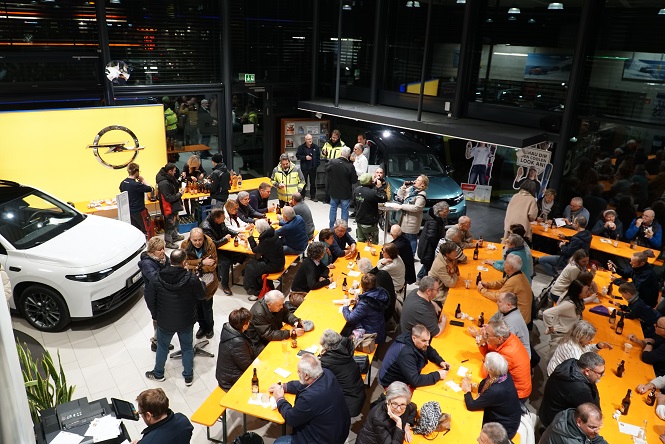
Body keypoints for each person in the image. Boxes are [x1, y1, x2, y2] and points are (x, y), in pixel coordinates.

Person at [145, 249, 206, 386]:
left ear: (170, 261)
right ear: (184, 262)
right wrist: (201, 282)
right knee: (187, 348)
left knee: (162, 347)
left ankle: (158, 373)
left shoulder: (157, 278)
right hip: (186, 320)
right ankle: (188, 376)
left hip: (165, 321)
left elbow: (150, 299)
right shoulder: (191, 279)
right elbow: (202, 296)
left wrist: (156, 315)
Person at [269, 354, 350, 444]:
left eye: (299, 372)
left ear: (306, 375)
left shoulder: (309, 398)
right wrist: (285, 386)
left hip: (324, 440)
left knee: (279, 442)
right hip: (339, 430)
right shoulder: (327, 373)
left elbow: (291, 419)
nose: (298, 373)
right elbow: (304, 384)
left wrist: (280, 399)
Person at [462, 352, 521, 439]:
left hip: (504, 428)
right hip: (507, 417)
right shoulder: (503, 375)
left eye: (484, 361)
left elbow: (471, 405)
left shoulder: (496, 390)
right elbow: (484, 383)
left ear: (490, 369)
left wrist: (467, 391)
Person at [539, 352, 605, 427]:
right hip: (555, 422)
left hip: (546, 410)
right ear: (587, 371)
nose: (603, 375)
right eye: (600, 373)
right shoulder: (579, 388)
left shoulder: (571, 364)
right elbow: (593, 410)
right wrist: (593, 382)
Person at [379, 324, 450, 389]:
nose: (427, 344)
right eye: (424, 341)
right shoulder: (406, 353)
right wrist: (437, 375)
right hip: (392, 383)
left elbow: (428, 349)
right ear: (414, 338)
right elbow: (415, 380)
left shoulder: (413, 338)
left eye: (428, 340)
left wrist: (440, 361)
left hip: (406, 375)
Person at [477, 320, 531, 401]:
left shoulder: (508, 353)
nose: (485, 336)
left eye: (487, 334)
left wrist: (486, 359)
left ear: (499, 338)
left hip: (517, 394)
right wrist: (483, 343)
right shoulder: (507, 338)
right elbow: (491, 351)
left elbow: (486, 373)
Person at [180, 228, 218, 339]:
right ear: (190, 239)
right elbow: (184, 264)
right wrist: (201, 262)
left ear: (203, 238)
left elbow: (212, 266)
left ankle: (209, 327)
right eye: (195, 240)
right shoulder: (184, 245)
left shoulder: (210, 245)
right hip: (192, 283)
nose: (197, 243)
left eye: (200, 240)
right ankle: (202, 327)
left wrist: (194, 267)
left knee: (207, 307)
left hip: (208, 283)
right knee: (197, 308)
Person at [318, 329, 366, 417]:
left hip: (349, 403)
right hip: (358, 393)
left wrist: (322, 356)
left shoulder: (327, 361)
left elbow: (317, 377)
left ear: (326, 347)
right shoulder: (346, 348)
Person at [200, 208, 244, 296]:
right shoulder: (206, 227)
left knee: (241, 253)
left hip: (222, 247)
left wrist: (237, 234)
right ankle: (225, 285)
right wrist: (225, 239)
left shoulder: (219, 221)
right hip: (211, 252)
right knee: (225, 262)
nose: (224, 220)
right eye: (223, 218)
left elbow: (226, 229)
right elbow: (213, 244)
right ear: (216, 219)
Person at [478, 255, 532, 325]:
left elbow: (498, 297)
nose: (503, 264)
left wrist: (482, 290)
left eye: (505, 262)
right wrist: (487, 284)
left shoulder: (514, 281)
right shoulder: (516, 273)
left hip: (519, 320)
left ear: (510, 268)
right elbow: (502, 282)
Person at [138, 237, 171, 352]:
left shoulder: (164, 258)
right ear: (152, 251)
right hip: (153, 296)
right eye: (159, 250)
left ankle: (162, 341)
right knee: (157, 319)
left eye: (163, 248)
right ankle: (156, 342)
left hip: (163, 293)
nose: (162, 251)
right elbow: (155, 279)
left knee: (164, 318)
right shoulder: (147, 264)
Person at [474, 292, 530, 358]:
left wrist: (482, 336)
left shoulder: (510, 322)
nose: (497, 303)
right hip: (508, 350)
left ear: (509, 305)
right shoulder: (505, 310)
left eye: (500, 301)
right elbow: (492, 320)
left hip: (518, 356)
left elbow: (501, 343)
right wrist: (490, 329)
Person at [546, 320, 612, 376]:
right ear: (581, 336)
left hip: (556, 369)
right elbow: (580, 371)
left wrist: (598, 346)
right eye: (590, 338)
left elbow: (584, 350)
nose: (592, 340)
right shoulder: (573, 351)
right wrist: (598, 373)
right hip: (557, 376)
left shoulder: (572, 339)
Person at [243, 219, 285, 300]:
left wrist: (250, 237)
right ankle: (261, 288)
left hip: (274, 265)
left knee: (250, 268)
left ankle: (256, 292)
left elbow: (255, 250)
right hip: (279, 261)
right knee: (254, 266)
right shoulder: (273, 234)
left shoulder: (266, 240)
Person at [342, 273, 389, 343]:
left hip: (370, 334)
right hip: (379, 329)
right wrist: (358, 301)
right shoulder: (380, 292)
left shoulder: (365, 303)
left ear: (362, 286)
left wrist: (345, 307)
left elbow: (350, 318)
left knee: (344, 332)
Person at [215, 308, 254, 391]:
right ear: (244, 326)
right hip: (230, 381)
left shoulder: (228, 330)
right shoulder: (237, 342)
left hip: (225, 375)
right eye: (248, 321)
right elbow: (247, 366)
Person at [543, 279, 587, 343]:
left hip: (567, 331)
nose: (588, 293)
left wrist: (591, 298)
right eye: (586, 292)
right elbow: (546, 313)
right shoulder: (569, 304)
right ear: (578, 292)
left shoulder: (576, 300)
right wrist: (550, 327)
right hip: (561, 333)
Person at [540, 403, 608, 444]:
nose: (597, 431)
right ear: (579, 422)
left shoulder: (572, 416)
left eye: (598, 427)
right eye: (592, 427)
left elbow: (596, 439)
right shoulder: (569, 440)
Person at [394, 175, 428, 254]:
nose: (415, 181)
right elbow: (400, 194)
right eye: (416, 179)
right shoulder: (411, 189)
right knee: (404, 238)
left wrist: (402, 206)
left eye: (418, 180)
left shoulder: (421, 195)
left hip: (412, 220)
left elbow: (416, 208)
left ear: (423, 184)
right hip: (404, 219)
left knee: (411, 238)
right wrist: (403, 187)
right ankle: (404, 253)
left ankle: (411, 255)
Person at [358, 257, 396, 326]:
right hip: (392, 305)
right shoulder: (384, 272)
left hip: (384, 314)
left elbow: (368, 303)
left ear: (363, 272)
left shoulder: (372, 284)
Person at [417, 201, 450, 280]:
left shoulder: (437, 218)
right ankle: (423, 279)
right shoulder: (433, 222)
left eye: (448, 211)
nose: (447, 213)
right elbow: (432, 237)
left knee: (427, 264)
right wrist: (439, 247)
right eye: (445, 212)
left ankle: (419, 277)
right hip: (428, 248)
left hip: (428, 246)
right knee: (428, 265)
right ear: (439, 211)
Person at [120, 162, 153, 237]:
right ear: (136, 171)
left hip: (130, 211)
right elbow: (150, 188)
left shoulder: (123, 183)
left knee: (136, 230)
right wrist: (143, 180)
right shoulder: (136, 184)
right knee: (147, 228)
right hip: (139, 210)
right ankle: (150, 243)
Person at [326, 146, 356, 228]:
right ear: (349, 155)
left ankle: (331, 227)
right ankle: (343, 228)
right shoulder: (350, 166)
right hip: (345, 192)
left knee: (333, 208)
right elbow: (354, 180)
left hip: (333, 191)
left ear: (341, 153)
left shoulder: (332, 162)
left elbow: (327, 170)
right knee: (344, 210)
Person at [156, 163, 184, 249]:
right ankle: (168, 242)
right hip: (168, 207)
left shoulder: (169, 178)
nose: (175, 172)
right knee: (170, 225)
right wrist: (179, 194)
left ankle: (175, 236)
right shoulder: (164, 183)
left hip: (173, 206)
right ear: (169, 171)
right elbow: (168, 198)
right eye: (174, 171)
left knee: (175, 222)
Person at [353, 173, 387, 242]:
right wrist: (380, 187)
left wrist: (373, 184)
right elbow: (383, 198)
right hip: (369, 223)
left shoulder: (356, 190)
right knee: (372, 244)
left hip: (359, 221)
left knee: (361, 242)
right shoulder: (372, 193)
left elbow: (355, 202)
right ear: (370, 182)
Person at [295, 133, 321, 201]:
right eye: (308, 139)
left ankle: (313, 196)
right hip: (304, 168)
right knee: (303, 182)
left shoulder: (315, 147)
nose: (310, 140)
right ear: (305, 140)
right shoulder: (301, 147)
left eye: (311, 139)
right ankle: (302, 196)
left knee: (313, 183)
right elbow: (298, 156)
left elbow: (318, 157)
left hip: (313, 168)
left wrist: (316, 165)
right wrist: (305, 157)